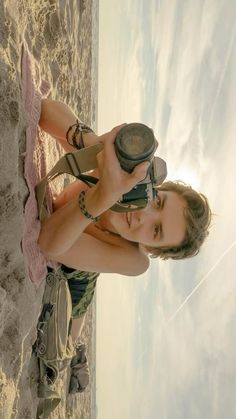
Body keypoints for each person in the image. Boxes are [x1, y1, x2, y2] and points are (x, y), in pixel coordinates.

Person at [37, 99, 212, 340]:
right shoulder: (115, 175)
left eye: (156, 230)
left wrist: (101, 198)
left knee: (71, 338)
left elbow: (47, 242)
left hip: (77, 284)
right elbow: (45, 110)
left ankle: (78, 357)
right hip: (85, 248)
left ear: (150, 247)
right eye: (158, 202)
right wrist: (92, 144)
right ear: (153, 186)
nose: (144, 215)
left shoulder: (135, 260)